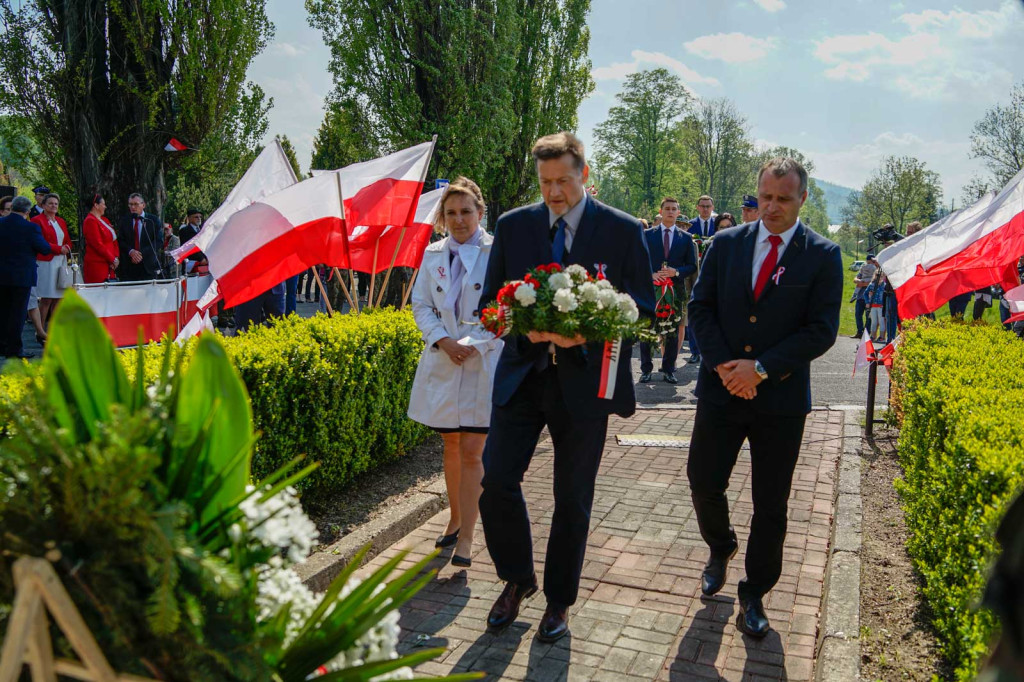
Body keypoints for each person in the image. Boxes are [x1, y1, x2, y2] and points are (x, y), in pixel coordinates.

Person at [478, 132, 655, 643]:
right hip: (522, 376)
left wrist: (592, 328)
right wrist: (521, 326)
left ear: (584, 174)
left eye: (563, 181)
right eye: (545, 183)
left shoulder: (621, 230)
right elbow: (492, 302)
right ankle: (517, 578)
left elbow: (641, 303)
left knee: (572, 497)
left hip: (585, 384)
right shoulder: (514, 226)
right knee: (497, 480)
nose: (554, 193)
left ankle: (559, 600)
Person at [686, 157, 843, 639]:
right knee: (702, 480)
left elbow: (821, 330)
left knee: (770, 502)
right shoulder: (726, 244)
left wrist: (761, 368)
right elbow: (701, 307)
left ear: (803, 199)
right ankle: (721, 544)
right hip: (722, 388)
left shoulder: (823, 254)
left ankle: (755, 590)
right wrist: (722, 365)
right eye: (765, 197)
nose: (772, 207)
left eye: (783, 199)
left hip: (780, 400)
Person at [407, 177, 501, 568]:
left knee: (473, 450)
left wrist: (473, 344)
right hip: (444, 357)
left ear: (480, 212)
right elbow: (421, 304)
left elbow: (507, 304)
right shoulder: (432, 254)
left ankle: (467, 537)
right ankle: (455, 516)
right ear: (442, 218)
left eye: (466, 211)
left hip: (483, 358)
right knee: (450, 446)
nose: (459, 219)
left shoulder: (498, 252)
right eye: (451, 213)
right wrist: (444, 340)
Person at [639, 197, 696, 384]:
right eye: (667, 208)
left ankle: (669, 369)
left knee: (671, 332)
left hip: (675, 291)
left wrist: (676, 272)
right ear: (661, 211)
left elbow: (692, 266)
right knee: (647, 329)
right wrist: (651, 274)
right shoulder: (648, 235)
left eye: (674, 209)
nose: (670, 212)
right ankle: (646, 369)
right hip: (651, 289)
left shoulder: (686, 238)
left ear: (678, 213)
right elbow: (637, 260)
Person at [1, 197, 62, 358]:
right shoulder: (30, 228)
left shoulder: (1, 223)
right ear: (28, 211)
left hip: (2, 274)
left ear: (12, 207)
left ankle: (2, 345)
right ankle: (14, 349)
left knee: (4, 311)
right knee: (18, 313)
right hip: (22, 275)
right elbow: (43, 248)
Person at [31, 193, 72, 327]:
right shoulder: (37, 220)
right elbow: (39, 241)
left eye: (56, 203)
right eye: (50, 203)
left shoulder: (61, 221)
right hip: (46, 262)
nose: (54, 206)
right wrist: (58, 248)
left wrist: (66, 247)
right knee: (47, 297)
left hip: (61, 262)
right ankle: (41, 328)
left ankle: (55, 328)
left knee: (59, 298)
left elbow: (67, 240)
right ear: (43, 205)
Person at [116, 193, 163, 281]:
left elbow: (158, 242)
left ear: (143, 205)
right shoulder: (124, 221)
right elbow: (121, 241)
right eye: (130, 204)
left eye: (136, 204)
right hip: (129, 268)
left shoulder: (152, 220)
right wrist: (131, 251)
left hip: (148, 267)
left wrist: (140, 254)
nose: (133, 207)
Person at [82, 194, 119, 283]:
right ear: (96, 205)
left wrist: (116, 257)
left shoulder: (105, 220)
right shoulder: (90, 221)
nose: (105, 207)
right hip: (97, 264)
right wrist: (112, 259)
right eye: (103, 204)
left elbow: (114, 240)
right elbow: (97, 244)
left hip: (110, 265)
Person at [852, 255, 878, 338]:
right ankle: (859, 332)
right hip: (860, 297)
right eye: (869, 261)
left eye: (871, 261)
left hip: (870, 298)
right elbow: (855, 279)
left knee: (868, 317)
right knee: (858, 315)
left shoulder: (876, 270)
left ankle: (866, 334)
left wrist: (861, 283)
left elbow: (874, 282)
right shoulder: (863, 269)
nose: (870, 263)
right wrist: (859, 281)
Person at [178, 208, 208, 273]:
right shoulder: (184, 231)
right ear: (189, 218)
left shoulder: (203, 230)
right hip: (191, 265)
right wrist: (201, 259)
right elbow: (190, 247)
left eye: (200, 217)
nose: (199, 218)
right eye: (196, 217)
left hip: (205, 265)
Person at [864, 271, 886, 342]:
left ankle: (882, 337)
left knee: (881, 321)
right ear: (875, 276)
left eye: (881, 276)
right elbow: (865, 294)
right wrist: (867, 302)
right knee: (874, 322)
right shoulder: (871, 285)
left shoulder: (885, 285)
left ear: (883, 277)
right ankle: (873, 336)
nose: (879, 277)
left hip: (881, 306)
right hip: (873, 306)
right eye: (877, 275)